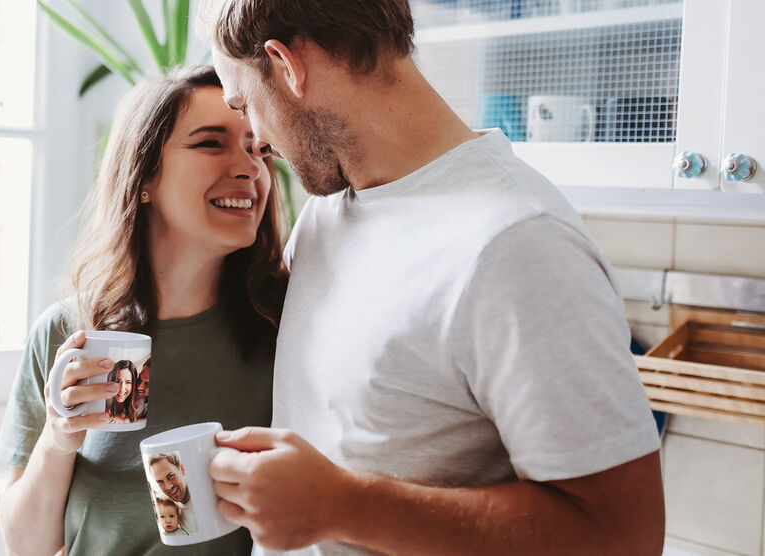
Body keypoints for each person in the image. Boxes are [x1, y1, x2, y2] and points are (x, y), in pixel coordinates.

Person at [197, 1, 665, 555]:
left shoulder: (516, 242)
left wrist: (343, 506)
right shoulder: (330, 213)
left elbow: (623, 537)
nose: (257, 141)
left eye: (244, 104)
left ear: (286, 65)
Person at [0, 65, 288, 556]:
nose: (250, 168)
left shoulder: (285, 327)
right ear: (144, 175)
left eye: (259, 148)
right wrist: (59, 437)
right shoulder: (66, 335)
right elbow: (26, 546)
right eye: (211, 143)